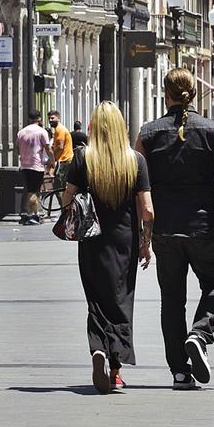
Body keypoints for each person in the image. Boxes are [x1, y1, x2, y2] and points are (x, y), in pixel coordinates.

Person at [135, 68, 214, 391]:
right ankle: (199, 334)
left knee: (171, 300)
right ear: (194, 93)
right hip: (204, 227)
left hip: (165, 231)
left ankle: (179, 372)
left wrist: (143, 237)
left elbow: (139, 189)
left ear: (166, 94)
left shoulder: (147, 134)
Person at [62, 101, 153, 394]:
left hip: (91, 240)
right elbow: (147, 210)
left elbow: (67, 198)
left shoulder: (82, 158)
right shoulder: (135, 160)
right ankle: (115, 370)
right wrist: (146, 242)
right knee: (121, 300)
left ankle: (97, 348)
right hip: (124, 240)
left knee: (96, 300)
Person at [16, 111, 54, 226]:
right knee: (34, 191)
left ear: (29, 119)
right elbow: (48, 148)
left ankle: (31, 213)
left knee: (29, 191)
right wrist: (52, 161)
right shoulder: (42, 132)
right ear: (39, 119)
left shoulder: (21, 132)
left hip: (24, 165)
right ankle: (33, 216)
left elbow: (18, 148)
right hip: (36, 166)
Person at [48, 110, 74, 182]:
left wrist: (52, 158)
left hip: (64, 161)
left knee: (59, 186)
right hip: (65, 161)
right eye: (49, 118)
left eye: (52, 118)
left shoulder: (60, 129)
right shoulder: (58, 129)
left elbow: (60, 147)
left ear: (58, 118)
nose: (50, 120)